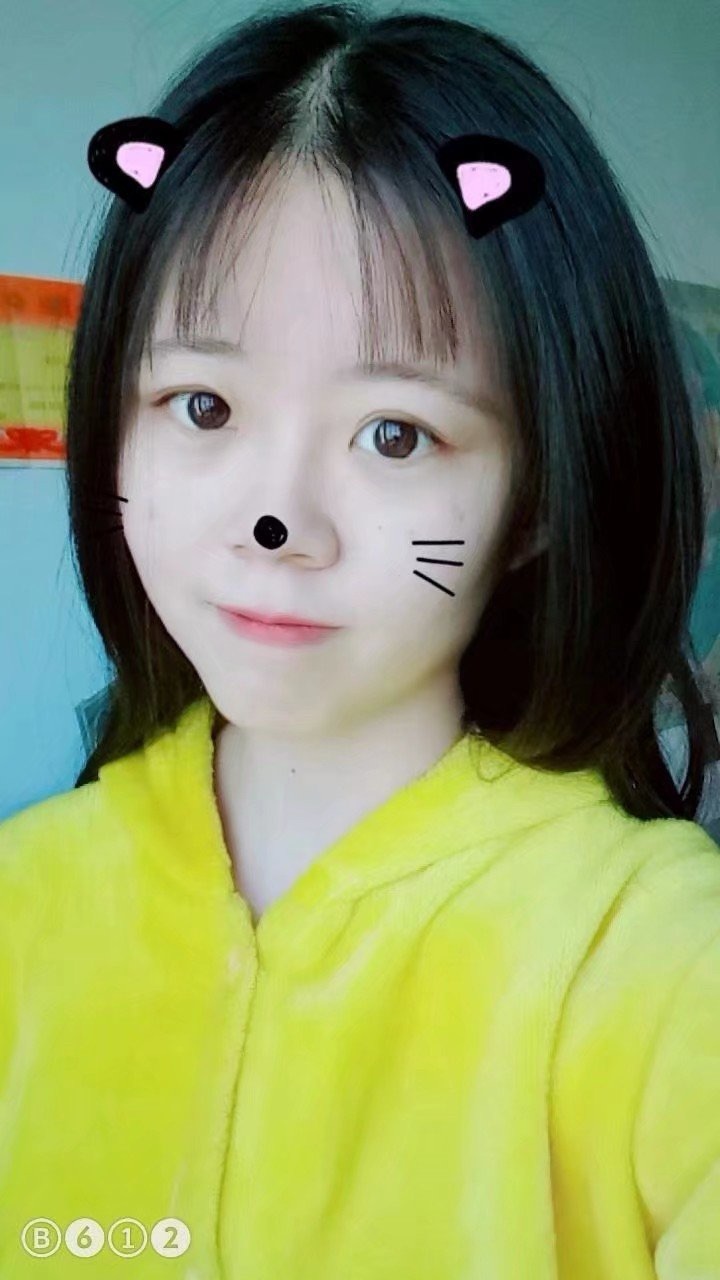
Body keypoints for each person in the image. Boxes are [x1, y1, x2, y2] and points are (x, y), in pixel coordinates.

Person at [1, 2, 719, 1274]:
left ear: (537, 501)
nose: (276, 518)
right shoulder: (23, 897)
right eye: (201, 404)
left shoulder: (656, 953)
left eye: (397, 433)